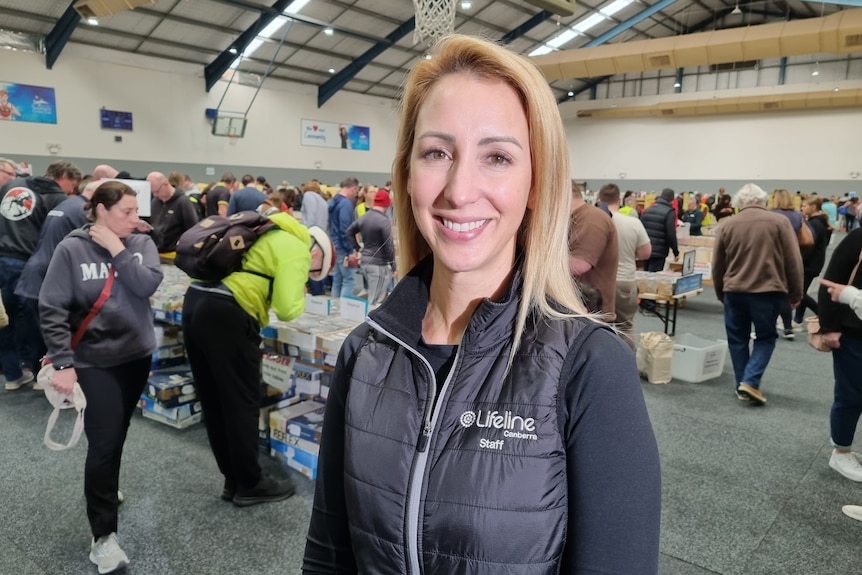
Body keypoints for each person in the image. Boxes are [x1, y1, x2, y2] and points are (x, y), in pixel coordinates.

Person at [303, 34, 661, 575]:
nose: (459, 188)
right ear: (406, 174)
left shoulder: (589, 368)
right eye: (436, 153)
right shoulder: (366, 353)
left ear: (536, 184)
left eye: (497, 156)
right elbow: (329, 555)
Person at [39, 181, 163, 574]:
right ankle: (103, 538)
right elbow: (52, 306)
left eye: (135, 210)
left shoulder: (139, 243)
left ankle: (106, 485)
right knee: (105, 444)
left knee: (116, 431)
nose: (135, 218)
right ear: (100, 210)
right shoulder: (71, 248)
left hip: (135, 357)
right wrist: (62, 363)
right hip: (92, 361)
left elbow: (145, 284)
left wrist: (116, 246)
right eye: (126, 211)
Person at [182, 210, 312, 508]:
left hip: (195, 303)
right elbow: (288, 308)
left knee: (213, 399)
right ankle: (251, 483)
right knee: (241, 402)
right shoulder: (294, 247)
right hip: (229, 313)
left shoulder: (255, 230)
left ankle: (233, 477)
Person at [712, 183, 803, 406]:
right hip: (768, 291)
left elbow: (717, 265)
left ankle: (742, 385)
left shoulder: (727, 224)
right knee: (766, 337)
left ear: (739, 203)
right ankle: (750, 381)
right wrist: (796, 292)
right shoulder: (779, 222)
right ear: (763, 201)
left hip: (734, 291)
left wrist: (720, 292)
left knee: (737, 340)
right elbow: (793, 261)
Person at [0, 160, 81, 390]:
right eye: (72, 185)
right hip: (28, 263)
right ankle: (39, 375)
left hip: (2, 259)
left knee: (5, 320)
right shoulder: (56, 197)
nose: (71, 192)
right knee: (36, 322)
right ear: (63, 176)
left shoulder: (11, 185)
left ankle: (13, 376)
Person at [815, 229, 862, 482]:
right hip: (853, 333)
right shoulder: (857, 238)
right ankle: (841, 450)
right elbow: (830, 284)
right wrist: (830, 327)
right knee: (851, 394)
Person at [599, 183, 651, 350]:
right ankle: (627, 368)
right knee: (626, 327)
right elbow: (645, 253)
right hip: (625, 281)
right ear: (619, 200)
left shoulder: (594, 221)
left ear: (600, 200)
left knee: (595, 328)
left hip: (598, 282)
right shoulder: (633, 223)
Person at [568, 180, 618, 320]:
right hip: (580, 307)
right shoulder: (577, 217)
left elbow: (579, 265)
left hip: (591, 310)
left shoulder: (591, 219)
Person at [345, 189, 394, 304]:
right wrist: (393, 265)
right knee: (376, 299)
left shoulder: (364, 217)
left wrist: (357, 248)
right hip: (379, 264)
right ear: (387, 205)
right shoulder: (384, 221)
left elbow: (349, 232)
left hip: (365, 261)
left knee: (372, 294)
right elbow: (389, 246)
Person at [771, 188, 806, 340]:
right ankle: (788, 327)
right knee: (786, 294)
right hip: (792, 254)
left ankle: (769, 326)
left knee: (770, 293)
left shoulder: (771, 215)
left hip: (773, 256)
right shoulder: (798, 215)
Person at [793, 196, 832, 326]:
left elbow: (809, 245)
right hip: (813, 262)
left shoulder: (815, 224)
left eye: (804, 206)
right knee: (802, 292)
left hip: (809, 263)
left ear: (813, 207)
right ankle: (798, 319)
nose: (802, 208)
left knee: (800, 293)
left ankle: (822, 314)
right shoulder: (818, 222)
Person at [639, 187, 679, 313]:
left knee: (645, 276)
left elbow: (641, 229)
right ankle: (650, 306)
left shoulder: (648, 210)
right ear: (672, 200)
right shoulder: (669, 212)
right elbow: (671, 234)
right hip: (659, 250)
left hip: (646, 248)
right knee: (654, 279)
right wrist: (676, 251)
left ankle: (644, 302)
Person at [146, 171, 199, 253]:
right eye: (153, 192)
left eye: (157, 191)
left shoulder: (183, 202)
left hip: (174, 253)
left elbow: (192, 229)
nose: (155, 195)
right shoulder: (155, 202)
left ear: (166, 184)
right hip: (156, 250)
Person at [327, 177, 358, 298]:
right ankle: (345, 312)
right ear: (353, 188)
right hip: (343, 247)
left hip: (334, 245)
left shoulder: (334, 201)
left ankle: (335, 309)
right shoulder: (345, 203)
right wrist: (350, 250)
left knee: (337, 280)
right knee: (349, 281)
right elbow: (345, 229)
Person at [301, 181, 330, 296]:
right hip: (322, 237)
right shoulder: (322, 200)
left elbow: (310, 217)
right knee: (318, 268)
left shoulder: (308, 196)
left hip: (312, 237)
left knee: (310, 268)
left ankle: (314, 296)